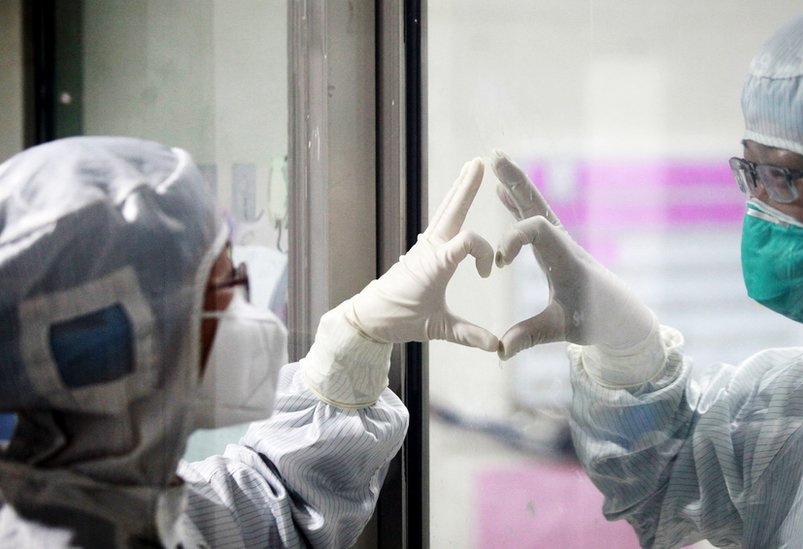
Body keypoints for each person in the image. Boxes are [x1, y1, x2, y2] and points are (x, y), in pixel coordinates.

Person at [488, 0, 803, 546]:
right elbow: (662, 478)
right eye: (750, 172)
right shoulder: (798, 404)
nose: (758, 204)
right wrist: (628, 352)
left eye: (782, 176)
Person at [0, 136, 496, 546]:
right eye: (221, 286)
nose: (248, 305)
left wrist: (356, 339)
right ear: (126, 342)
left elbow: (275, 508)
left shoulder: (127, 509)